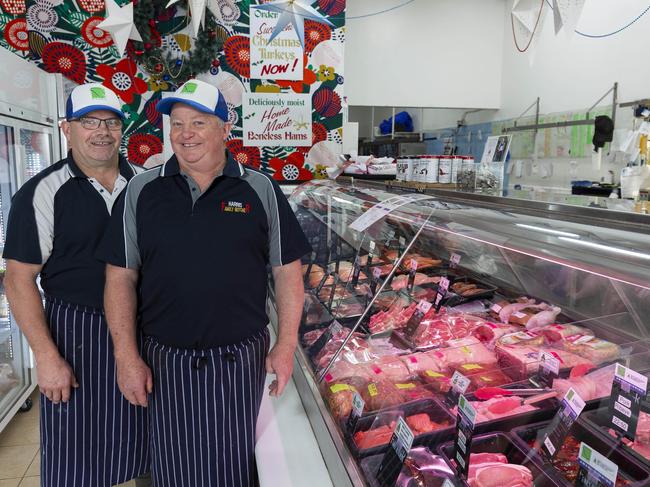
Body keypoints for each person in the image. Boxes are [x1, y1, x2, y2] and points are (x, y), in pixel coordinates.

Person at [98, 79, 311, 486]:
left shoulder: (259, 188)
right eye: (176, 124)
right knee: (173, 467)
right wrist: (126, 356)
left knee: (234, 466)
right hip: (166, 359)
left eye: (198, 122)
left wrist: (285, 346)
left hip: (239, 361)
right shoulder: (141, 190)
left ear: (224, 129)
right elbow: (120, 276)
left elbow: (287, 271)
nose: (185, 134)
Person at [3, 83, 150, 487]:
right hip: (75, 335)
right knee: (76, 456)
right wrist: (46, 358)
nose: (102, 131)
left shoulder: (145, 185)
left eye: (111, 122)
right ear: (67, 129)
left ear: (122, 129)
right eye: (89, 122)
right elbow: (18, 280)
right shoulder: (41, 192)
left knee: (146, 443)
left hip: (143, 331)